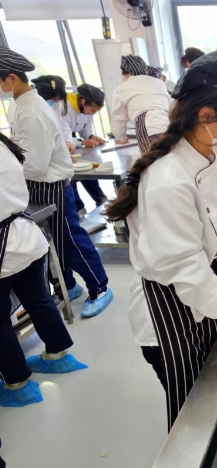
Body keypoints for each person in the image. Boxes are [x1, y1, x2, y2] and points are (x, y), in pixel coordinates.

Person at [103, 48, 217, 431]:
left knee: (216, 402)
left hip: (204, 304)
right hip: (171, 315)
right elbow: (188, 274)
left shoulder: (206, 158)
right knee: (196, 419)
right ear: (207, 116)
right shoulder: (170, 181)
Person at [1, 47, 113, 318]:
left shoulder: (32, 110)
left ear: (12, 79)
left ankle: (100, 288)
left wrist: (7, 169)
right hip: (37, 185)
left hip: (49, 185)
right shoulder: (22, 105)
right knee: (53, 244)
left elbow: (35, 163)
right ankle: (69, 286)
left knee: (70, 241)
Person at [0, 131, 88, 409]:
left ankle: (17, 384)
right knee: (39, 300)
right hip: (26, 236)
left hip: (4, 249)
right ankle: (58, 355)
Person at [33, 78, 109, 214]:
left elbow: (78, 127)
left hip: (69, 145)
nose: (92, 114)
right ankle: (79, 208)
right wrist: (79, 142)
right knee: (71, 177)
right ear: (83, 101)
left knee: (86, 169)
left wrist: (91, 137)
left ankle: (100, 199)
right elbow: (60, 131)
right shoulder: (64, 106)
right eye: (92, 110)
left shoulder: (59, 106)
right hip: (57, 149)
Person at [111, 55, 171, 153]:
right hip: (169, 126)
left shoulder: (121, 89)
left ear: (125, 73)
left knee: (152, 163)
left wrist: (121, 137)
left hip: (148, 128)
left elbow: (118, 118)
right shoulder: (159, 83)